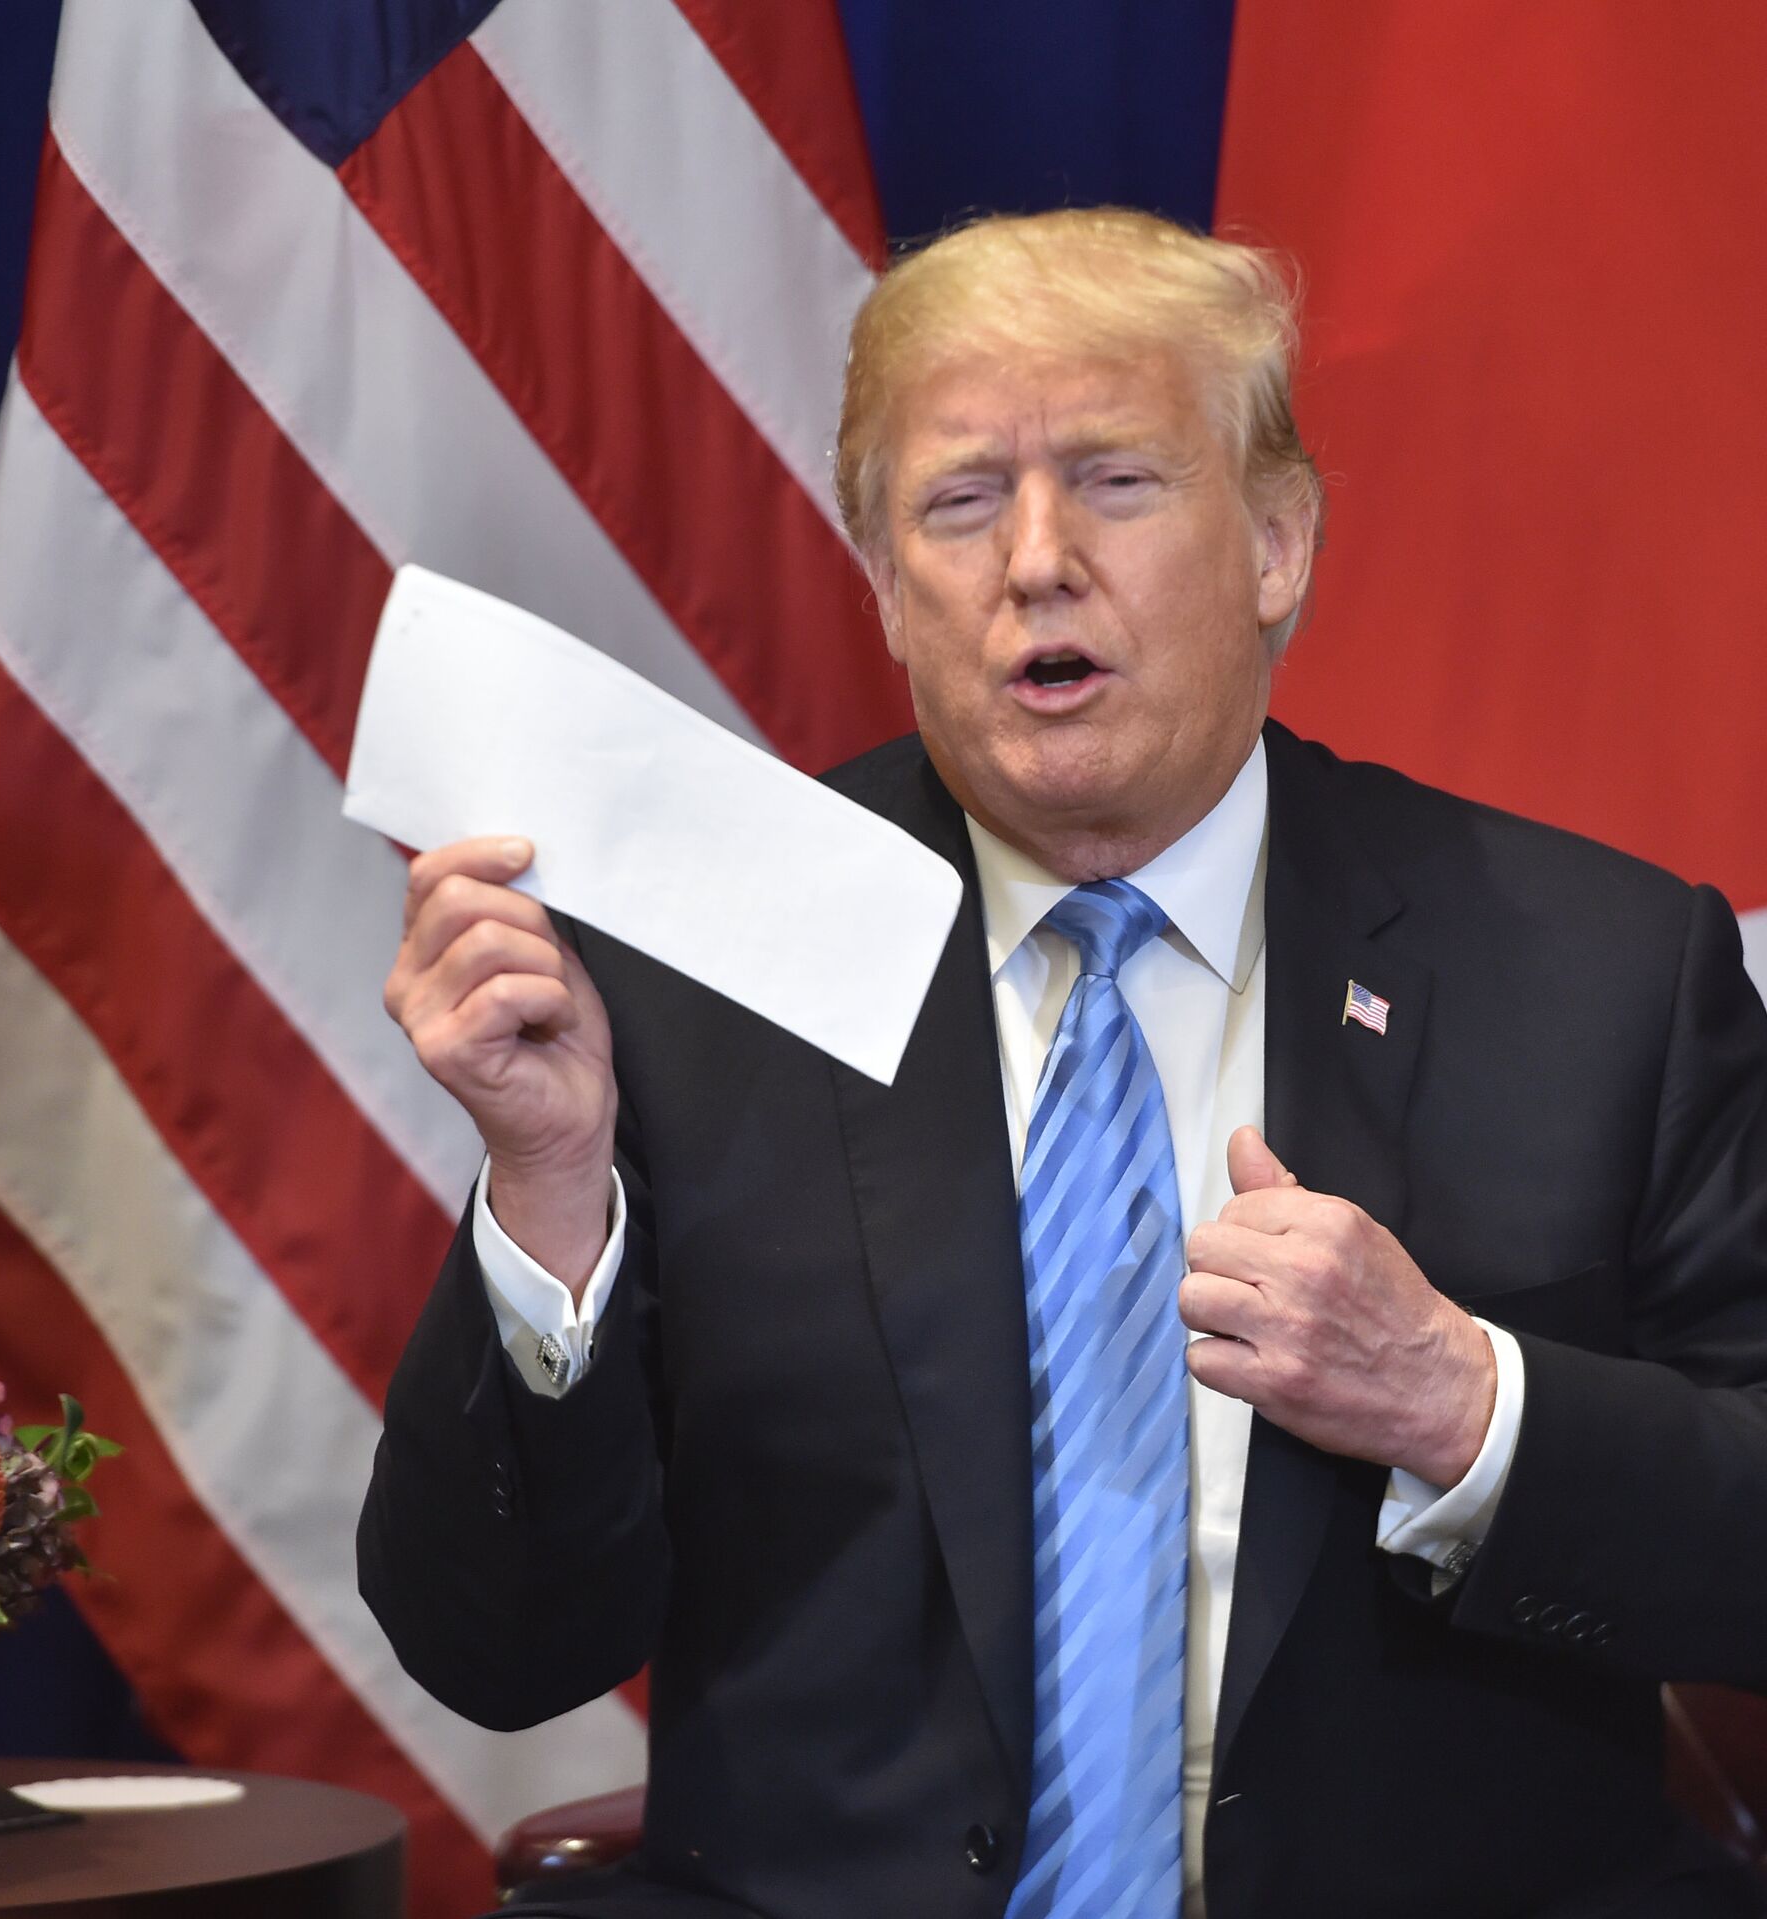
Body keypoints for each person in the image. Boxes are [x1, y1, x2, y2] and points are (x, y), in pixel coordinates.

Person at [359, 208, 1767, 1919]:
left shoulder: (1601, 975)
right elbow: (495, 1650)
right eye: (962, 502)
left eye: (1115, 481)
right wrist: (547, 1194)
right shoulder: (693, 977)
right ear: (888, 588)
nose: (1036, 560)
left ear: (1277, 544)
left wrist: (1463, 1407)